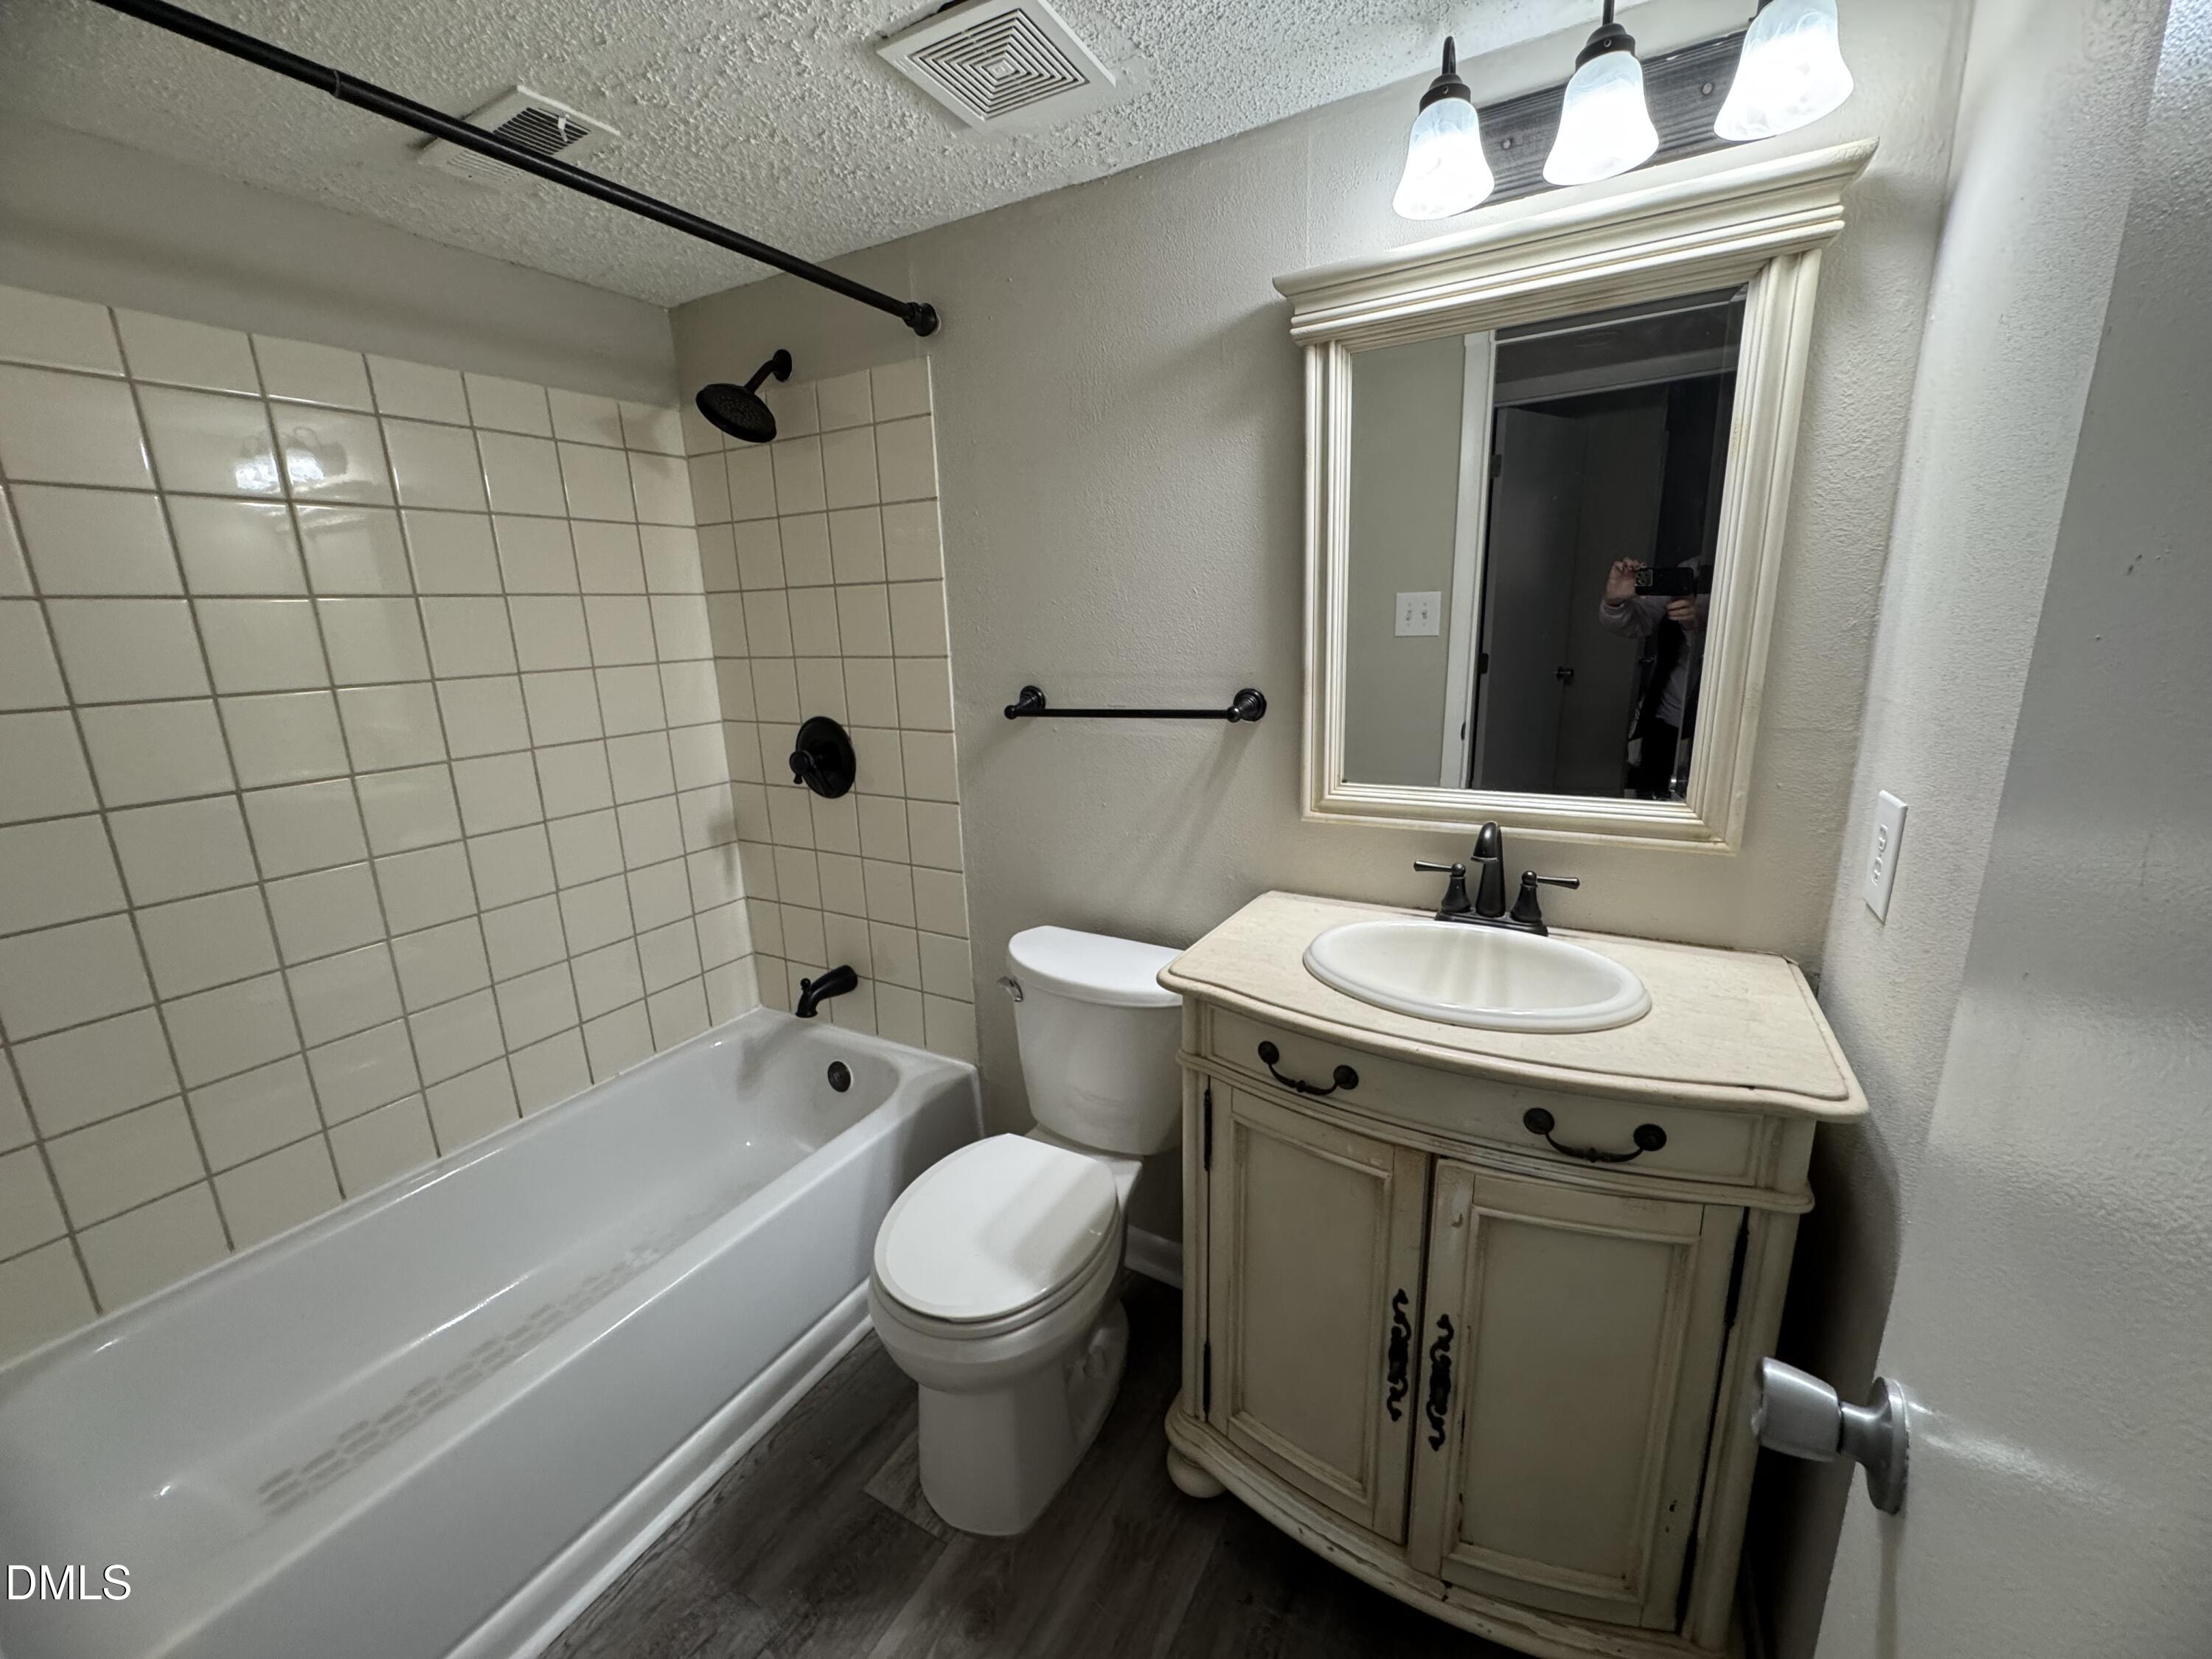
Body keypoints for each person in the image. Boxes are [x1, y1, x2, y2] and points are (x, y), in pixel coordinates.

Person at [1599, 556, 1705, 799]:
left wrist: (1700, 622)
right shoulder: (1690, 570)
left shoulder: (1754, 579)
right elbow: (1635, 624)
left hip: (1719, 726)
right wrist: (1614, 602)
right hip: (1667, 718)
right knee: (1650, 801)